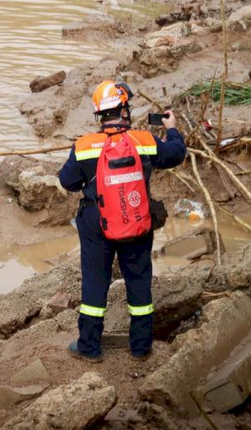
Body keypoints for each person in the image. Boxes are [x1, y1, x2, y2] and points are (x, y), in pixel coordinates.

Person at [58, 81, 186, 362]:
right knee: (139, 280)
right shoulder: (144, 141)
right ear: (125, 110)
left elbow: (67, 181)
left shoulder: (84, 146)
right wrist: (172, 128)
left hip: (96, 222)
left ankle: (89, 348)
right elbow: (177, 154)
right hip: (137, 219)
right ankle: (140, 347)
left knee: (95, 281)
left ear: (99, 115)